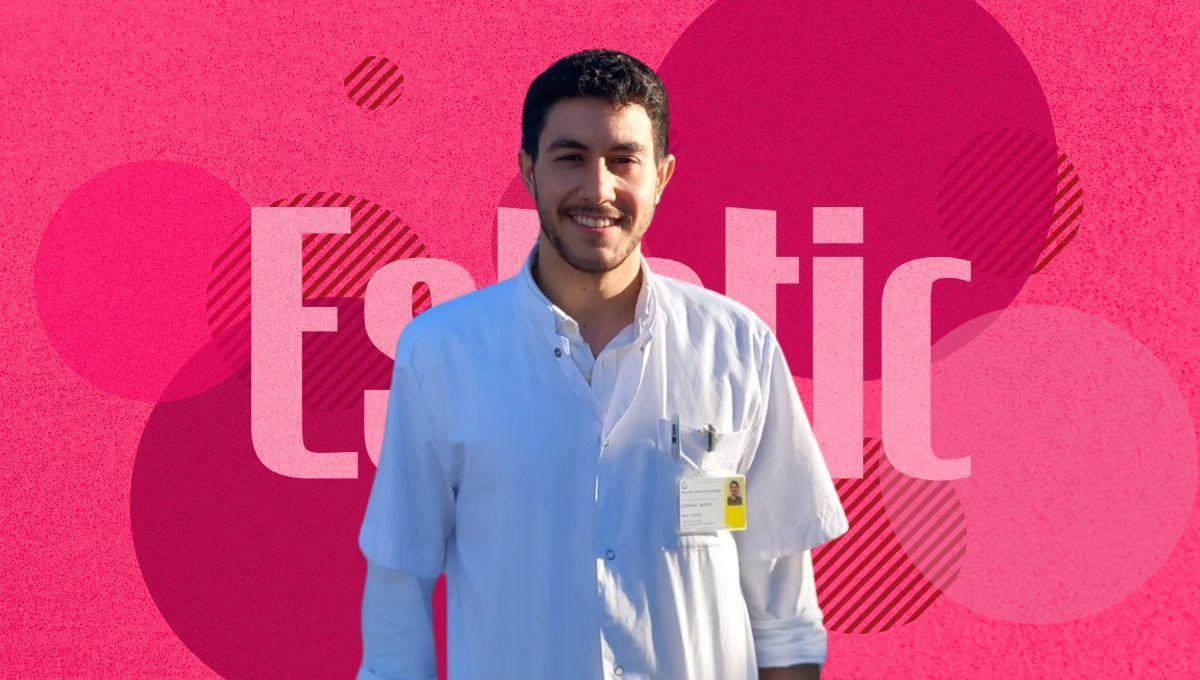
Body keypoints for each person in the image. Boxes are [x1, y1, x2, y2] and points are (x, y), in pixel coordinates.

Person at [357, 49, 849, 680]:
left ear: (662, 176)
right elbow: (399, 594)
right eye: (571, 158)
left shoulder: (737, 347)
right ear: (529, 172)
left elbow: (783, 610)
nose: (598, 189)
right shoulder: (442, 352)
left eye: (623, 160)